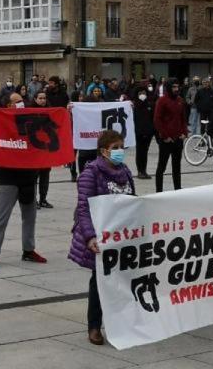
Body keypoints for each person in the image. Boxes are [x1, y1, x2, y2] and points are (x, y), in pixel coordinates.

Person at [69, 129, 135, 346]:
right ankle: (94, 327)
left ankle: (121, 322)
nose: (119, 152)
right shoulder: (91, 173)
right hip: (100, 235)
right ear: (103, 151)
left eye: (121, 147)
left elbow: (132, 200)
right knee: (99, 282)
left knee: (122, 280)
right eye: (114, 148)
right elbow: (83, 208)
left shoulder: (125, 171)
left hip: (122, 234)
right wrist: (90, 237)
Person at [0, 91, 47, 268]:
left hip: (28, 175)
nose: (22, 104)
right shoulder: (0, 121)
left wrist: (69, 111)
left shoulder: (29, 119)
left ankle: (28, 250)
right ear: (8, 106)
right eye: (17, 102)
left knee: (30, 216)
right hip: (8, 177)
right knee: (1, 216)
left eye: (22, 101)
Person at [153, 78, 187, 192]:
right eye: (174, 87)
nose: (176, 89)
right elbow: (157, 120)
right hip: (166, 141)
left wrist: (184, 132)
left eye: (177, 87)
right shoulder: (162, 101)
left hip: (178, 139)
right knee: (161, 167)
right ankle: (159, 191)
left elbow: (183, 118)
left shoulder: (180, 100)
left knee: (177, 167)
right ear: (168, 87)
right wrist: (165, 136)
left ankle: (177, 189)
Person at [30, 91, 53, 208]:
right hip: (34, 150)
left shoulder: (49, 110)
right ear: (35, 99)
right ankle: (33, 200)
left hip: (45, 148)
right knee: (34, 176)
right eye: (40, 98)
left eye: (44, 98)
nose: (43, 100)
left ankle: (43, 199)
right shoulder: (29, 111)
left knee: (45, 175)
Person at [132, 85, 155, 180]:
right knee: (139, 151)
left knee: (145, 152)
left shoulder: (150, 104)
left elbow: (152, 118)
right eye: (140, 93)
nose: (142, 95)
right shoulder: (134, 105)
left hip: (148, 132)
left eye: (144, 93)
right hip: (139, 132)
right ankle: (139, 171)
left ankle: (144, 170)